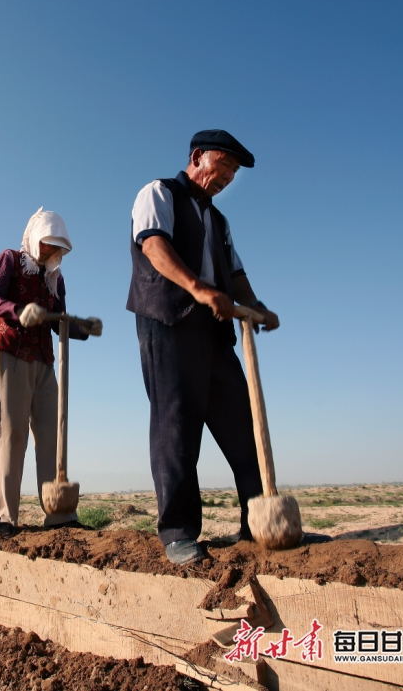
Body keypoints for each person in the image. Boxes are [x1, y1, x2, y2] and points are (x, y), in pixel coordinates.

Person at [127, 129, 279, 564]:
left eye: (233, 172)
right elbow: (154, 245)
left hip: (215, 332)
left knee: (243, 423)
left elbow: (234, 275)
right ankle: (178, 531)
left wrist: (257, 307)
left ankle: (258, 521)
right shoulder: (159, 193)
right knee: (176, 426)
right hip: (168, 322)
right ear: (197, 157)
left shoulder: (218, 221)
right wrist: (197, 288)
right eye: (223, 165)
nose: (228, 177)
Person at [0, 208, 99, 538]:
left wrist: (83, 326)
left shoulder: (55, 279)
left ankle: (59, 513)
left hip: (44, 359)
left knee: (51, 434)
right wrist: (19, 311)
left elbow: (58, 319)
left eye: (57, 246)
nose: (50, 251)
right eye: (47, 243)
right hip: (10, 352)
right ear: (35, 238)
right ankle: (6, 516)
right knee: (12, 434)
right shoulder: (10, 259)